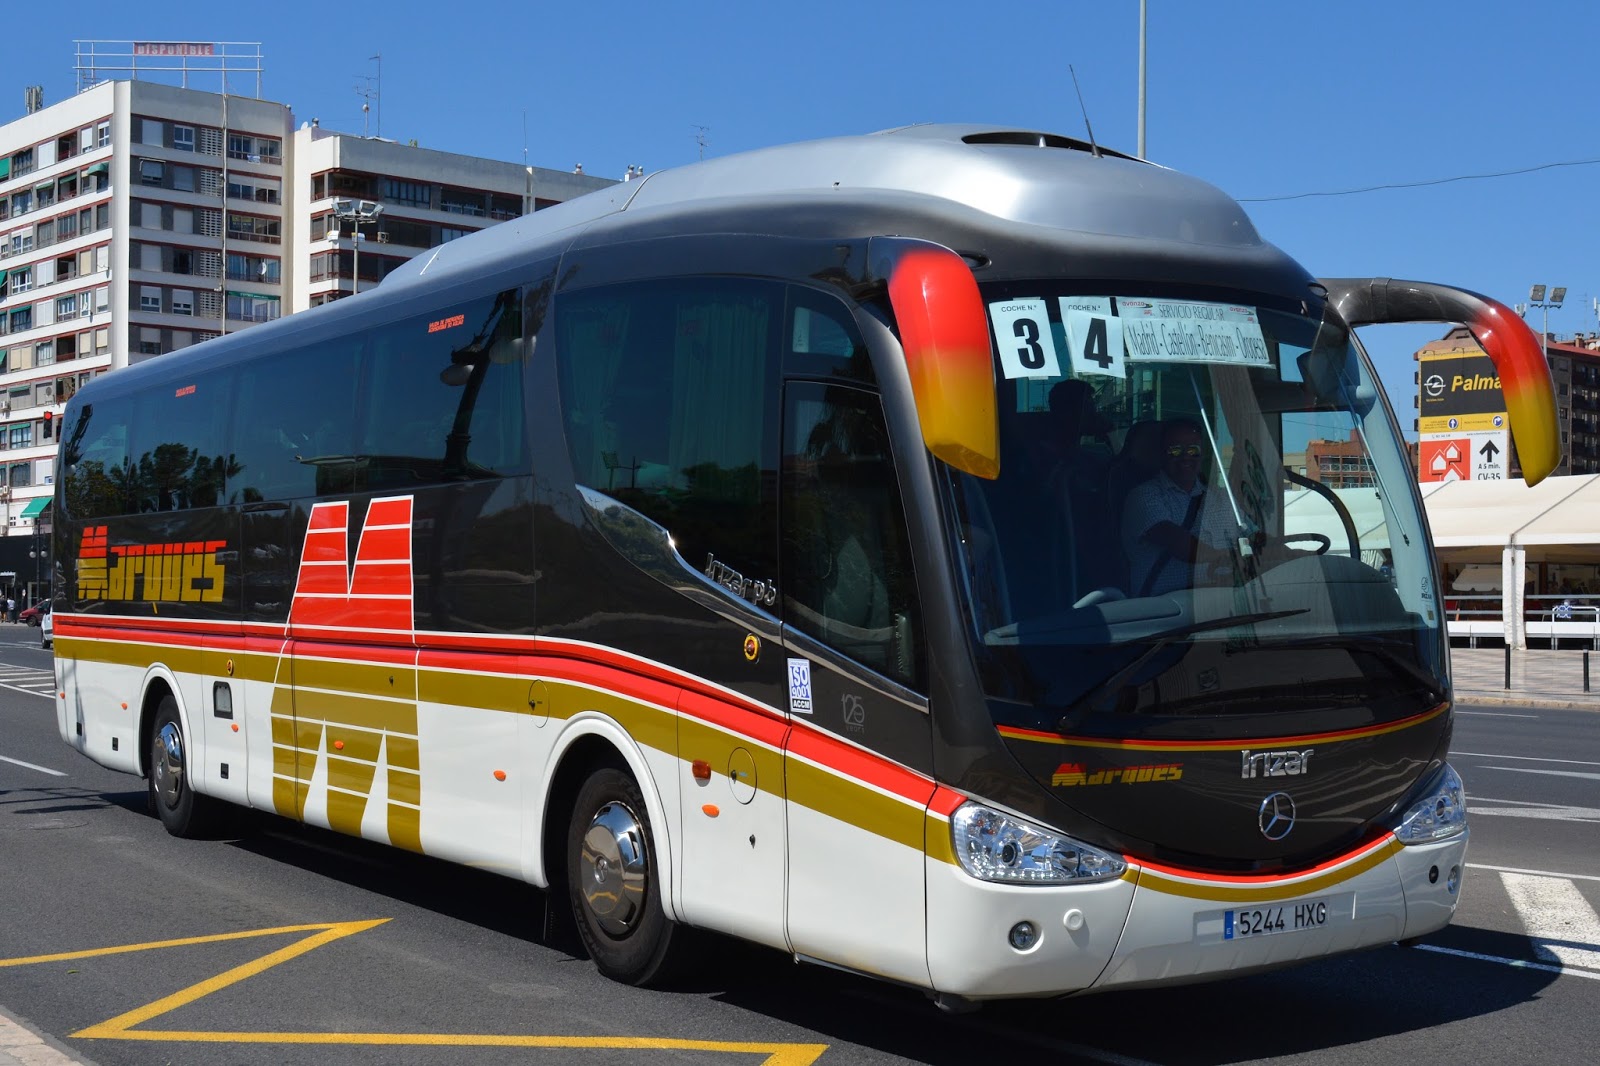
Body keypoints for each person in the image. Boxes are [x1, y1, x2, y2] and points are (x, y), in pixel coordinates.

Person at [1121, 419, 1247, 597]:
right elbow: (1178, 543)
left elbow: (1249, 537)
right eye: (1175, 450)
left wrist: (1277, 549)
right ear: (1162, 455)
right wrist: (1225, 557)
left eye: (1193, 450)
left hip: (1225, 602)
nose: (1185, 457)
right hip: (1163, 608)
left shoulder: (1223, 499)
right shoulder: (1143, 496)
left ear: (1203, 456)